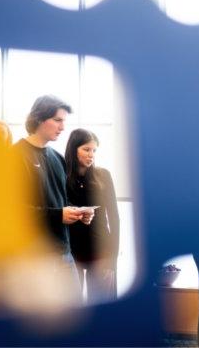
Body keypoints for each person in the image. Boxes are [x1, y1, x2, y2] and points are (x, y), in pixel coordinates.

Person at [13, 95, 93, 299]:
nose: (63, 127)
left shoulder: (57, 158)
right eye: (58, 120)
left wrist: (77, 213)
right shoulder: (15, 156)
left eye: (64, 121)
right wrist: (59, 215)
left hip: (64, 254)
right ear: (39, 119)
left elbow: (60, 202)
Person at [65, 128, 120, 303]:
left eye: (94, 150)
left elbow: (114, 218)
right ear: (74, 150)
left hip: (101, 252)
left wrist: (113, 260)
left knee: (101, 312)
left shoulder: (103, 175)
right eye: (86, 149)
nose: (91, 155)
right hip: (72, 252)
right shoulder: (62, 177)